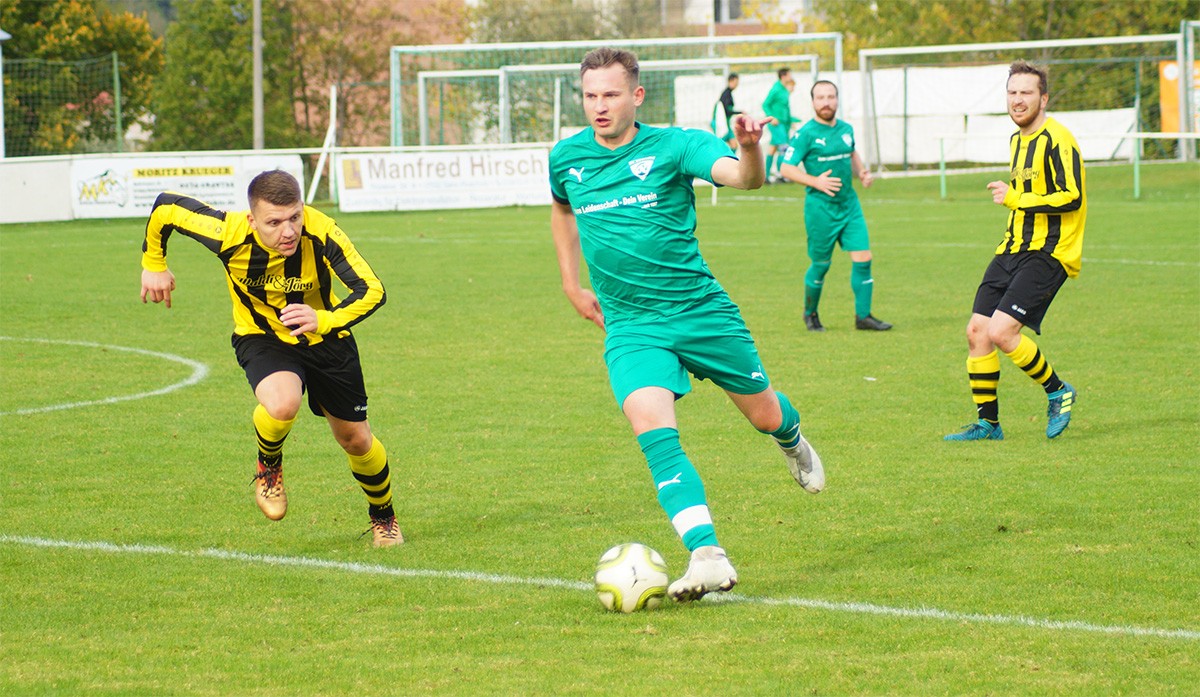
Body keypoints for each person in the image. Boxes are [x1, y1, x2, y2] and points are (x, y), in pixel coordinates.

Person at [549, 47, 824, 603]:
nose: (599, 106)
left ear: (637, 95)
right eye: (590, 95)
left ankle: (792, 441)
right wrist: (570, 283)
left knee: (766, 412)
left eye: (610, 94)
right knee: (653, 434)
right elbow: (561, 209)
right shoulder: (566, 157)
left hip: (700, 312)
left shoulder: (677, 145)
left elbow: (743, 180)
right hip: (630, 326)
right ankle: (706, 554)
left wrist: (749, 149)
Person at [139, 170, 403, 546]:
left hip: (326, 338)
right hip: (263, 337)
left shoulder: (322, 231)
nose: (288, 231)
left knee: (356, 440)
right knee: (282, 403)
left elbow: (372, 290)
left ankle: (384, 516)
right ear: (252, 220)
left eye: (294, 217)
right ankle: (269, 465)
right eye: (274, 222)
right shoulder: (227, 232)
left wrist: (324, 319)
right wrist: (154, 262)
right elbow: (167, 206)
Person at [944, 60, 1085, 441]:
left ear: (1044, 98)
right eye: (1012, 93)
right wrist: (1015, 203)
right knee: (977, 331)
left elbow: (1072, 196)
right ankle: (988, 424)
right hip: (1011, 249)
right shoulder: (1016, 140)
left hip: (1049, 252)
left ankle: (1058, 390)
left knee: (1003, 332)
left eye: (1026, 93)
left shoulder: (1059, 139)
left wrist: (1015, 197)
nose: (1018, 100)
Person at [779, 80, 892, 332]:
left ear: (837, 99)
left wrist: (861, 172)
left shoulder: (846, 128)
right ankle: (810, 313)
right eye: (820, 97)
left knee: (864, 257)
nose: (826, 102)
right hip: (821, 209)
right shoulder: (805, 134)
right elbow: (785, 168)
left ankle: (863, 317)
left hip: (849, 205)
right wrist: (815, 181)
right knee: (821, 265)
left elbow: (851, 152)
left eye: (831, 96)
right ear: (813, 102)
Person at [762, 67, 797, 181]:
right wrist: (771, 118)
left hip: (784, 124)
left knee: (773, 148)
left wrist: (790, 121)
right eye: (789, 75)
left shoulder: (784, 90)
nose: (791, 77)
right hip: (776, 124)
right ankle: (781, 174)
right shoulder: (776, 89)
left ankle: (766, 176)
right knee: (784, 147)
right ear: (784, 76)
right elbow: (765, 104)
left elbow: (786, 108)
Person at [714, 72, 741, 149]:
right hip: (721, 124)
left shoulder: (729, 93)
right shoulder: (726, 94)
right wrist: (739, 112)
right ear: (731, 81)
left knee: (734, 146)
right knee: (720, 147)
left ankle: (731, 160)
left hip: (726, 124)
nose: (737, 84)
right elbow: (726, 111)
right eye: (736, 82)